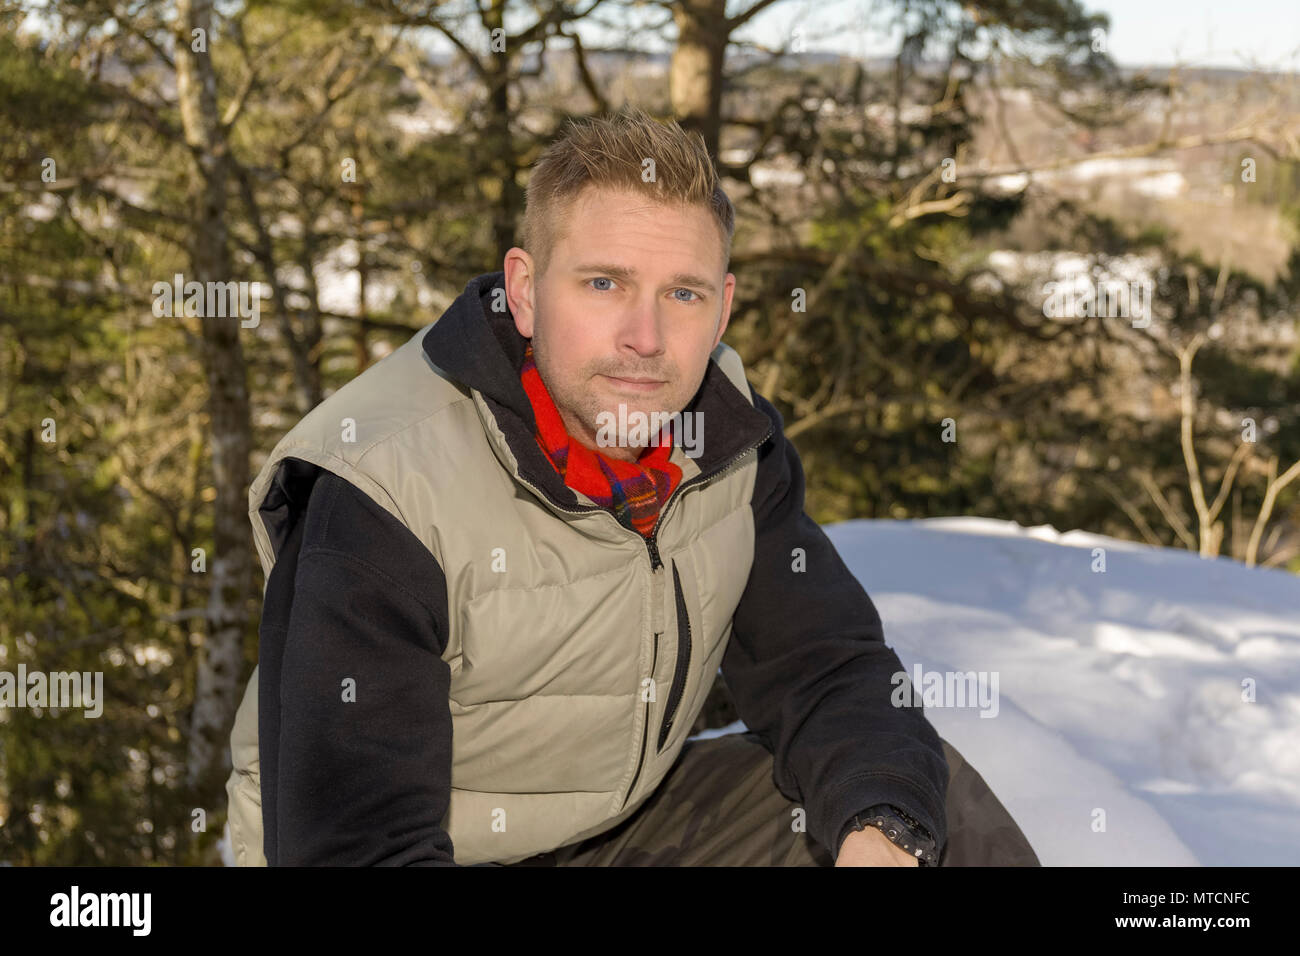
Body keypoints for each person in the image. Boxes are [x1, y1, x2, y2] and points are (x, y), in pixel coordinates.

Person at [224, 105, 1039, 867]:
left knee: (922, 804)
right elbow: (357, 843)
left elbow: (821, 667)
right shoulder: (383, 490)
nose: (645, 339)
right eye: (603, 283)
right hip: (413, 848)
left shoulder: (726, 441)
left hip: (618, 830)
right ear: (524, 290)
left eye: (680, 294)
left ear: (720, 311)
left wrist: (880, 833)